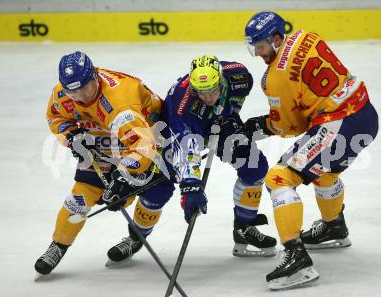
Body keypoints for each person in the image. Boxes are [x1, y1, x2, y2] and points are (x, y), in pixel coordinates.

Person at [243, 12, 379, 289]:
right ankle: (333, 227)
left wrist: (261, 126)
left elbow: (290, 126)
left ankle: (296, 258)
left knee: (280, 177)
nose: (258, 53)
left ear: (276, 38)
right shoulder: (307, 36)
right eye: (254, 47)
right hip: (366, 114)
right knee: (323, 171)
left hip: (339, 125)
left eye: (260, 46)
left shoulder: (274, 78)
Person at [106, 55, 277, 264]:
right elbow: (188, 148)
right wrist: (191, 186)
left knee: (254, 166)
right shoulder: (183, 107)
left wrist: (228, 119)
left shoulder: (240, 76)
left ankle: (244, 227)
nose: (207, 98)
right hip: (171, 137)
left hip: (216, 127)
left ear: (221, 80)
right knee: (158, 190)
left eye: (213, 91)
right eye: (201, 93)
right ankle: (135, 238)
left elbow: (234, 102)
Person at [35, 51, 163, 278]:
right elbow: (56, 119)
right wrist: (73, 135)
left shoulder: (120, 103)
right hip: (102, 136)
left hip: (149, 133)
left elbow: (145, 147)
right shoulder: (63, 94)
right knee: (80, 196)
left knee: (149, 194)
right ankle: (58, 245)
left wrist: (123, 177)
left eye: (83, 88)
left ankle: (136, 238)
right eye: (71, 90)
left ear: (94, 77)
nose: (79, 96)